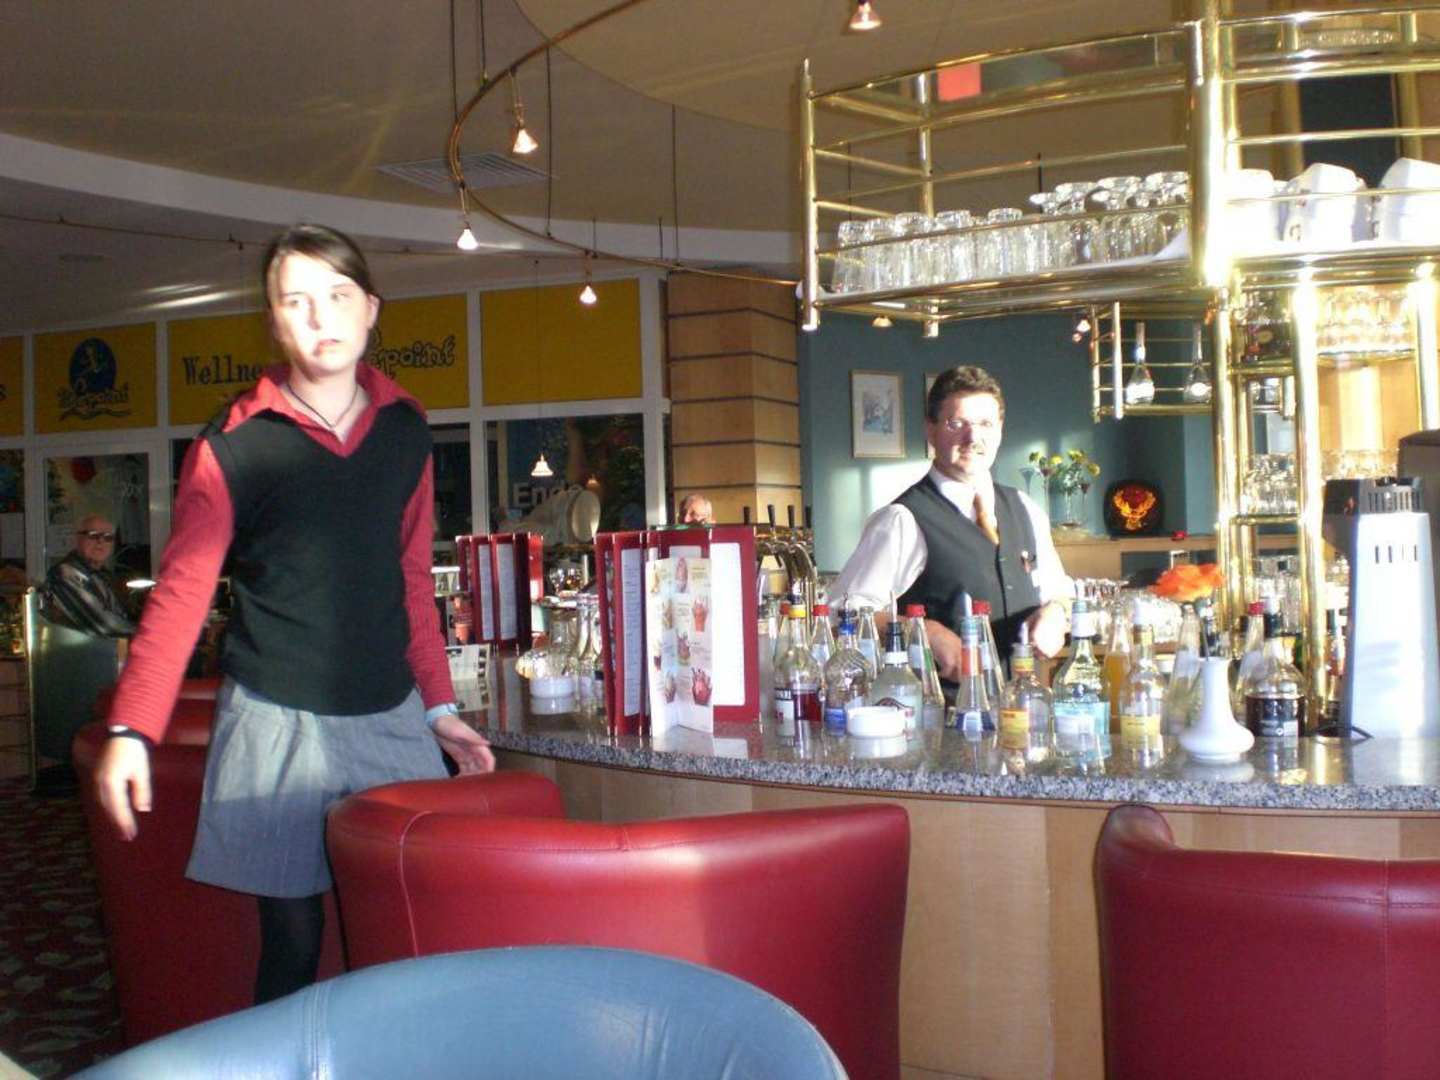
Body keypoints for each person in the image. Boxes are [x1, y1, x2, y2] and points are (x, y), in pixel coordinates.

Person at [92, 224, 495, 1005]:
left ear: (371, 308)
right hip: (275, 714)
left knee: (408, 930)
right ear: (275, 322)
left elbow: (411, 580)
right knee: (293, 938)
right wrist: (132, 728)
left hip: (388, 710)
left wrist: (438, 709)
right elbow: (182, 590)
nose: (320, 318)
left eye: (338, 296)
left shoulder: (406, 428)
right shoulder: (234, 443)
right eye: (296, 302)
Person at [829, 365, 1072, 681]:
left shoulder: (1025, 508)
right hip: (937, 707)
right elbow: (840, 613)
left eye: (985, 423)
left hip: (1023, 702)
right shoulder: (902, 519)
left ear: (1000, 429)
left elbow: (1060, 591)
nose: (973, 437)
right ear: (930, 430)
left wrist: (1057, 613)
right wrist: (921, 631)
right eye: (956, 424)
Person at [41, 514, 136, 637]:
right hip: (75, 648)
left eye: (108, 538)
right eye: (93, 535)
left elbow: (120, 615)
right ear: (77, 539)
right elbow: (105, 625)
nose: (101, 541)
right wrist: (148, 632)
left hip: (103, 647)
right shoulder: (65, 573)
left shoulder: (104, 575)